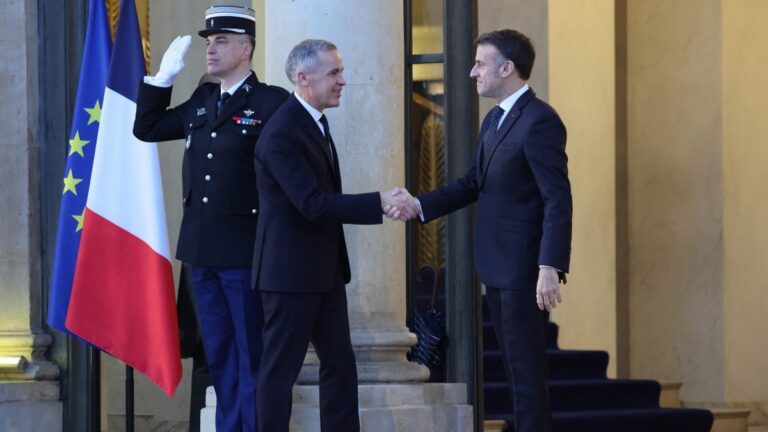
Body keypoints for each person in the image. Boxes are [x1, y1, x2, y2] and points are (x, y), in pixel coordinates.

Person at [396, 29, 572, 432]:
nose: (473, 71)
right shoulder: (495, 118)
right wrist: (420, 204)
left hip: (524, 269)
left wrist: (549, 265)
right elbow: (473, 182)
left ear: (507, 68)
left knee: (526, 375)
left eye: (480, 63)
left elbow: (557, 200)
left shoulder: (541, 120)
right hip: (496, 265)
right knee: (514, 371)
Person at [132, 6, 289, 431]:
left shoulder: (272, 103)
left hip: (244, 250)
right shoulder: (204, 99)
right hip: (200, 250)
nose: (210, 49)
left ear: (246, 48)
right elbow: (147, 129)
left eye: (220, 41)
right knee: (218, 354)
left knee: (251, 353)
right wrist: (160, 80)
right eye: (208, 42)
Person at [252, 39, 416, 432]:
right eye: (334, 73)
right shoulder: (281, 133)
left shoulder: (313, 121)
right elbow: (313, 204)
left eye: (341, 71)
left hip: (323, 272)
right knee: (279, 373)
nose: (343, 81)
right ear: (303, 78)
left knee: (340, 366)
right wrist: (379, 201)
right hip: (289, 277)